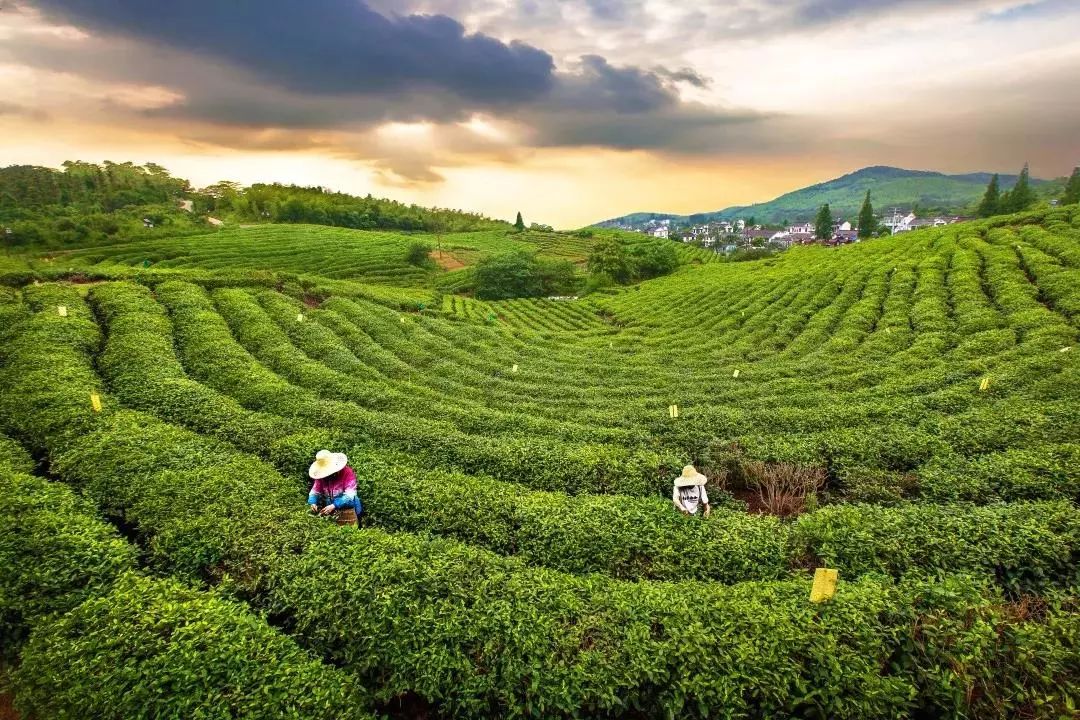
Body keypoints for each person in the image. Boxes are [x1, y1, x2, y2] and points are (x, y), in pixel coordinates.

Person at [307, 449, 361, 524]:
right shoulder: (322, 476)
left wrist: (334, 505)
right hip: (331, 507)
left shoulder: (347, 472)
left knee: (352, 528)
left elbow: (350, 494)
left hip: (349, 507)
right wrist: (313, 502)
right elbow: (315, 491)